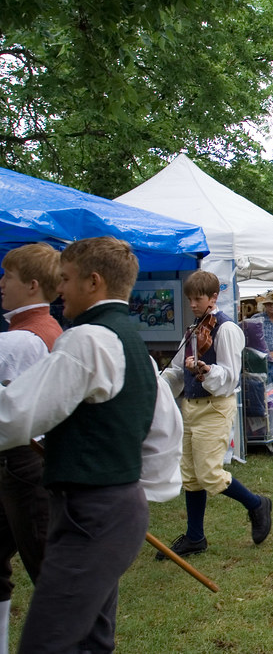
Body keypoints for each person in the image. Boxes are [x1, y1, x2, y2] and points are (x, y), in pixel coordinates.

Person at [0, 236, 183, 653]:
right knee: (90, 640)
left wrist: (108, 495)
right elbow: (165, 431)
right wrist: (133, 493)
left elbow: (14, 416)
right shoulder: (133, 343)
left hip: (91, 511)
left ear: (93, 282)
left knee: (50, 642)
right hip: (115, 509)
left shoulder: (86, 339)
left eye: (65, 279)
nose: (58, 289)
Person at [157, 270, 272, 560]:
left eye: (198, 299)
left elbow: (230, 376)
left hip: (215, 407)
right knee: (191, 476)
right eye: (190, 299)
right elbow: (177, 371)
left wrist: (208, 372)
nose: (193, 304)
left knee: (209, 473)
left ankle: (257, 504)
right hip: (192, 407)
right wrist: (156, 384)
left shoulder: (227, 329)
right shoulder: (194, 329)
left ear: (213, 297)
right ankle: (195, 537)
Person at [0, 244, 62, 653]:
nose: (1, 283)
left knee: (50, 575)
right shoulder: (48, 331)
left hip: (24, 459)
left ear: (33, 285)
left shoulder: (22, 341)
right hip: (27, 459)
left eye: (8, 276)